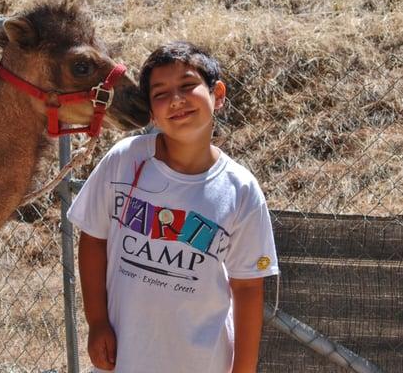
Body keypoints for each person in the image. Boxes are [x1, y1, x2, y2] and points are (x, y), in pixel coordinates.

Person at [67, 41, 279, 373]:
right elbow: (93, 239)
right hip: (123, 357)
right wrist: (97, 322)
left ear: (217, 94)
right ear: (150, 111)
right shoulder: (125, 160)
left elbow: (248, 287)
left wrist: (244, 370)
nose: (176, 100)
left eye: (187, 85)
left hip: (201, 361)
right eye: (161, 93)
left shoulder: (240, 190)